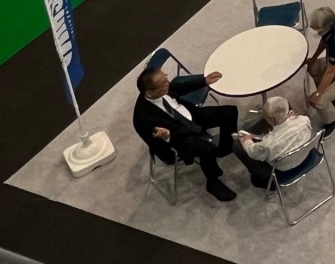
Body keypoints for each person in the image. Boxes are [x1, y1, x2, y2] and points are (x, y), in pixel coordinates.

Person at [133, 66, 240, 202]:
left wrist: (204, 81)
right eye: (163, 83)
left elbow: (178, 87)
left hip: (190, 116)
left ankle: (226, 147)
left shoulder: (162, 88)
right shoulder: (142, 118)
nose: (167, 84)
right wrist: (168, 136)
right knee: (207, 149)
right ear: (149, 93)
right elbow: (156, 145)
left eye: (166, 79)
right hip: (177, 138)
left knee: (230, 112)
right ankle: (213, 182)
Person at [232, 95, 315, 189]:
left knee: (237, 146)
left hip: (283, 169)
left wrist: (247, 141)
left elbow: (253, 153)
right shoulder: (305, 120)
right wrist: (290, 119)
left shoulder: (268, 144)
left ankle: (265, 179)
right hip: (305, 155)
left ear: (272, 119)